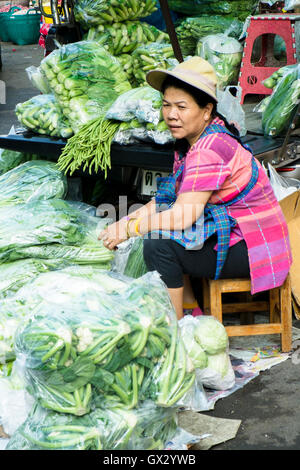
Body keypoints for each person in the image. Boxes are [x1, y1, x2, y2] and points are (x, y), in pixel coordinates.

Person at [98, 57, 292, 320]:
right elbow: (166, 201)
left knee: (159, 244)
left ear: (206, 110)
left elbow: (182, 216)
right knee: (161, 225)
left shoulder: (209, 148)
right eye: (166, 105)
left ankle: (176, 331)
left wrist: (130, 229)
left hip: (257, 248)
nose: (171, 114)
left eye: (181, 106)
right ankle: (190, 307)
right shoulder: (196, 140)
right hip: (247, 237)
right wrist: (124, 223)